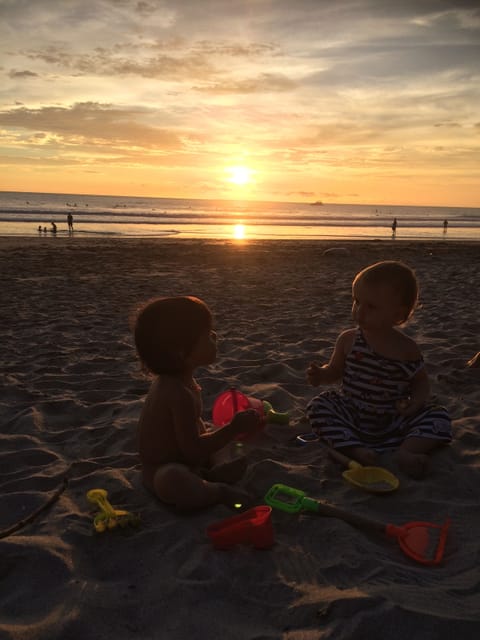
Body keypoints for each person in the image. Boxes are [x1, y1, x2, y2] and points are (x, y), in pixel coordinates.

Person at [305, 260, 451, 478]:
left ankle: (407, 451)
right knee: (319, 406)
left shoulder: (406, 348)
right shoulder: (348, 340)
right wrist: (322, 374)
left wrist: (415, 403)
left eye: (371, 306)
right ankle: (356, 449)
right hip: (352, 414)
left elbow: (420, 381)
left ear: (398, 314)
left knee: (439, 416)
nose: (360, 311)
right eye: (356, 301)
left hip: (394, 418)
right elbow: (335, 371)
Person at [134, 296, 261, 511]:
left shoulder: (182, 382)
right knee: (172, 480)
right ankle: (217, 490)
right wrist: (234, 428)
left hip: (189, 456)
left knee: (213, 430)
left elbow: (194, 431)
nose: (214, 335)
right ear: (181, 353)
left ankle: (214, 471)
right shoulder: (176, 393)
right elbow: (192, 451)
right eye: (207, 335)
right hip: (163, 467)